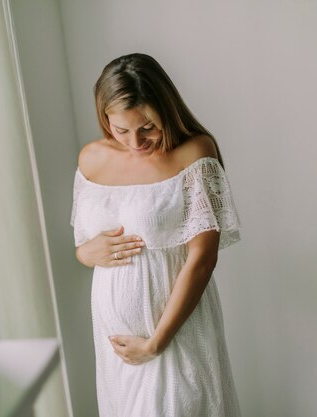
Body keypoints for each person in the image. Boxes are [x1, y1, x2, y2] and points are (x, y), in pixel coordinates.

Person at [70, 53, 242, 417]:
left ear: (166, 108)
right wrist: (87, 253)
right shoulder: (91, 159)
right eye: (121, 130)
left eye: (147, 126)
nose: (136, 140)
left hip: (173, 332)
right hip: (114, 341)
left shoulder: (194, 153)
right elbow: (83, 248)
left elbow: (203, 257)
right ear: (105, 119)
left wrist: (156, 342)